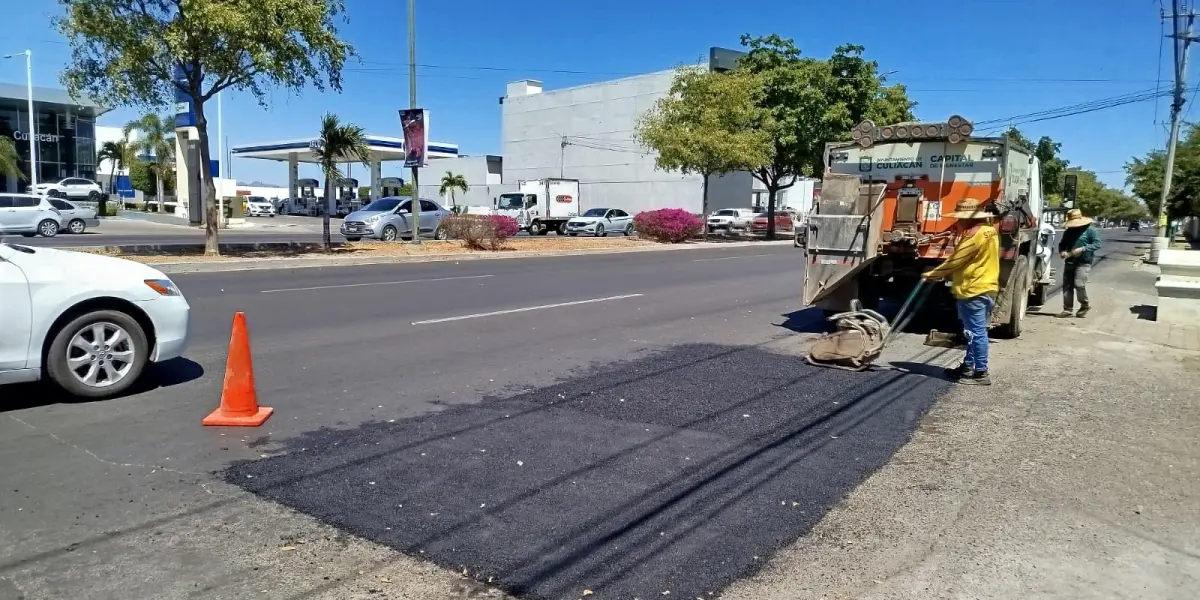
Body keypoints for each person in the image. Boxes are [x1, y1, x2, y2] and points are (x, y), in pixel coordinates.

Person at [922, 198, 1001, 386]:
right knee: (973, 332)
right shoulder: (990, 231)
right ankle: (967, 366)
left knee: (976, 332)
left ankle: (981, 372)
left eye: (960, 218)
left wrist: (932, 274)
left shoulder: (974, 235)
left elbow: (957, 259)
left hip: (973, 289)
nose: (958, 221)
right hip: (986, 286)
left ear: (968, 218)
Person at [1057, 208, 1102, 318]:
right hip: (1070, 261)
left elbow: (1097, 244)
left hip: (1084, 261)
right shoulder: (1068, 232)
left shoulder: (1090, 230)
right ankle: (1067, 309)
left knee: (1079, 284)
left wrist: (1083, 249)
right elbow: (1062, 244)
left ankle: (1084, 305)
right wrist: (1062, 251)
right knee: (1067, 286)